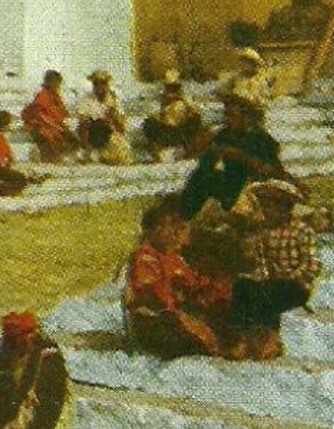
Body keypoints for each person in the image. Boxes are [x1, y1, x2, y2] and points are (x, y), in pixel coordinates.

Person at [123, 196, 231, 359]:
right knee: (181, 325)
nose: (179, 234)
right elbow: (154, 295)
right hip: (156, 322)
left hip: (180, 316)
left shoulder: (177, 259)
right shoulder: (146, 257)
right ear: (153, 230)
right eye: (173, 227)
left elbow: (193, 288)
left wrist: (207, 290)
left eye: (182, 227)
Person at [226, 181, 322, 360]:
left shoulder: (302, 230)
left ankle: (270, 341)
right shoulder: (264, 231)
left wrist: (288, 276)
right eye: (265, 207)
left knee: (267, 294)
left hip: (296, 286)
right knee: (243, 287)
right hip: (272, 284)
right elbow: (262, 264)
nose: (267, 213)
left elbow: (312, 264)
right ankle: (241, 338)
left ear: (285, 209)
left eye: (271, 208)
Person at [179, 88, 287, 220]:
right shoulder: (224, 134)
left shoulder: (261, 138)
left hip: (249, 190)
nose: (226, 120)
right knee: (201, 176)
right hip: (228, 186)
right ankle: (185, 216)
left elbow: (272, 171)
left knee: (207, 179)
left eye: (231, 115)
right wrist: (204, 148)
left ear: (246, 117)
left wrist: (239, 156)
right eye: (226, 114)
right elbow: (203, 159)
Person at [141, 70, 205, 162]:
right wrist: (165, 104)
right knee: (148, 123)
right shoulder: (160, 100)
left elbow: (196, 115)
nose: (172, 90)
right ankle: (157, 154)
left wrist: (182, 100)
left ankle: (186, 151)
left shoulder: (186, 99)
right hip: (165, 131)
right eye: (170, 87)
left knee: (194, 121)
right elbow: (154, 116)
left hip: (180, 132)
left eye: (175, 87)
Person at [21, 69, 80, 162]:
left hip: (55, 125)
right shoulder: (43, 95)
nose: (57, 85)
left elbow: (62, 113)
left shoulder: (55, 96)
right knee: (51, 135)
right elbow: (39, 116)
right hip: (43, 126)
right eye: (55, 82)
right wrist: (58, 127)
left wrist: (65, 125)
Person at [75, 70, 132, 164]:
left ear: (106, 85)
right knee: (86, 124)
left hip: (109, 131)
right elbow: (82, 120)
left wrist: (112, 116)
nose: (100, 87)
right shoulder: (88, 100)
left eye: (103, 84)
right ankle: (86, 151)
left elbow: (121, 122)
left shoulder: (113, 100)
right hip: (93, 131)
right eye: (97, 84)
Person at [216, 46, 275, 111]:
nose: (244, 65)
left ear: (254, 65)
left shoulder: (259, 81)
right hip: (236, 112)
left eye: (248, 63)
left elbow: (264, 102)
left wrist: (251, 101)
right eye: (242, 62)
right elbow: (222, 92)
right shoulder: (235, 78)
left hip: (252, 113)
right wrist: (231, 97)